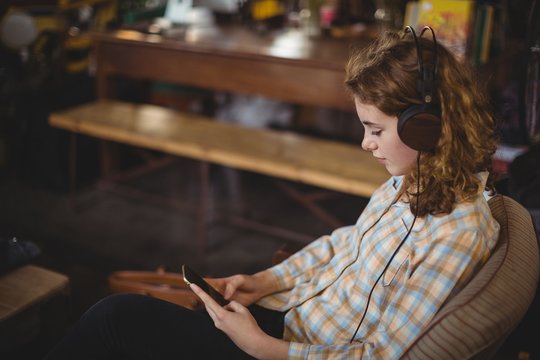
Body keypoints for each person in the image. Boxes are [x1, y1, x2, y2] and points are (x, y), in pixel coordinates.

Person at [45, 27, 500, 359]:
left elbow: (382, 356)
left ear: (427, 128)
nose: (366, 144)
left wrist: (262, 347)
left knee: (114, 320)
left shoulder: (456, 233)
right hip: (287, 320)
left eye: (375, 130)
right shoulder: (411, 181)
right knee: (127, 322)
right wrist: (265, 281)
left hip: (288, 351)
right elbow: (346, 243)